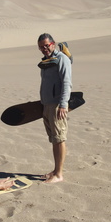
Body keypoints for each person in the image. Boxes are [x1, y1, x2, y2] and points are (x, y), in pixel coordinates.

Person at [37, 33, 72, 183]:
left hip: (57, 106)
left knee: (59, 138)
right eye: (41, 47)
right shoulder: (46, 61)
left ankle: (59, 174)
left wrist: (63, 104)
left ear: (53, 43)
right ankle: (55, 170)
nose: (44, 49)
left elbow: (66, 83)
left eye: (46, 45)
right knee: (54, 139)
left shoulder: (61, 59)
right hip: (47, 105)